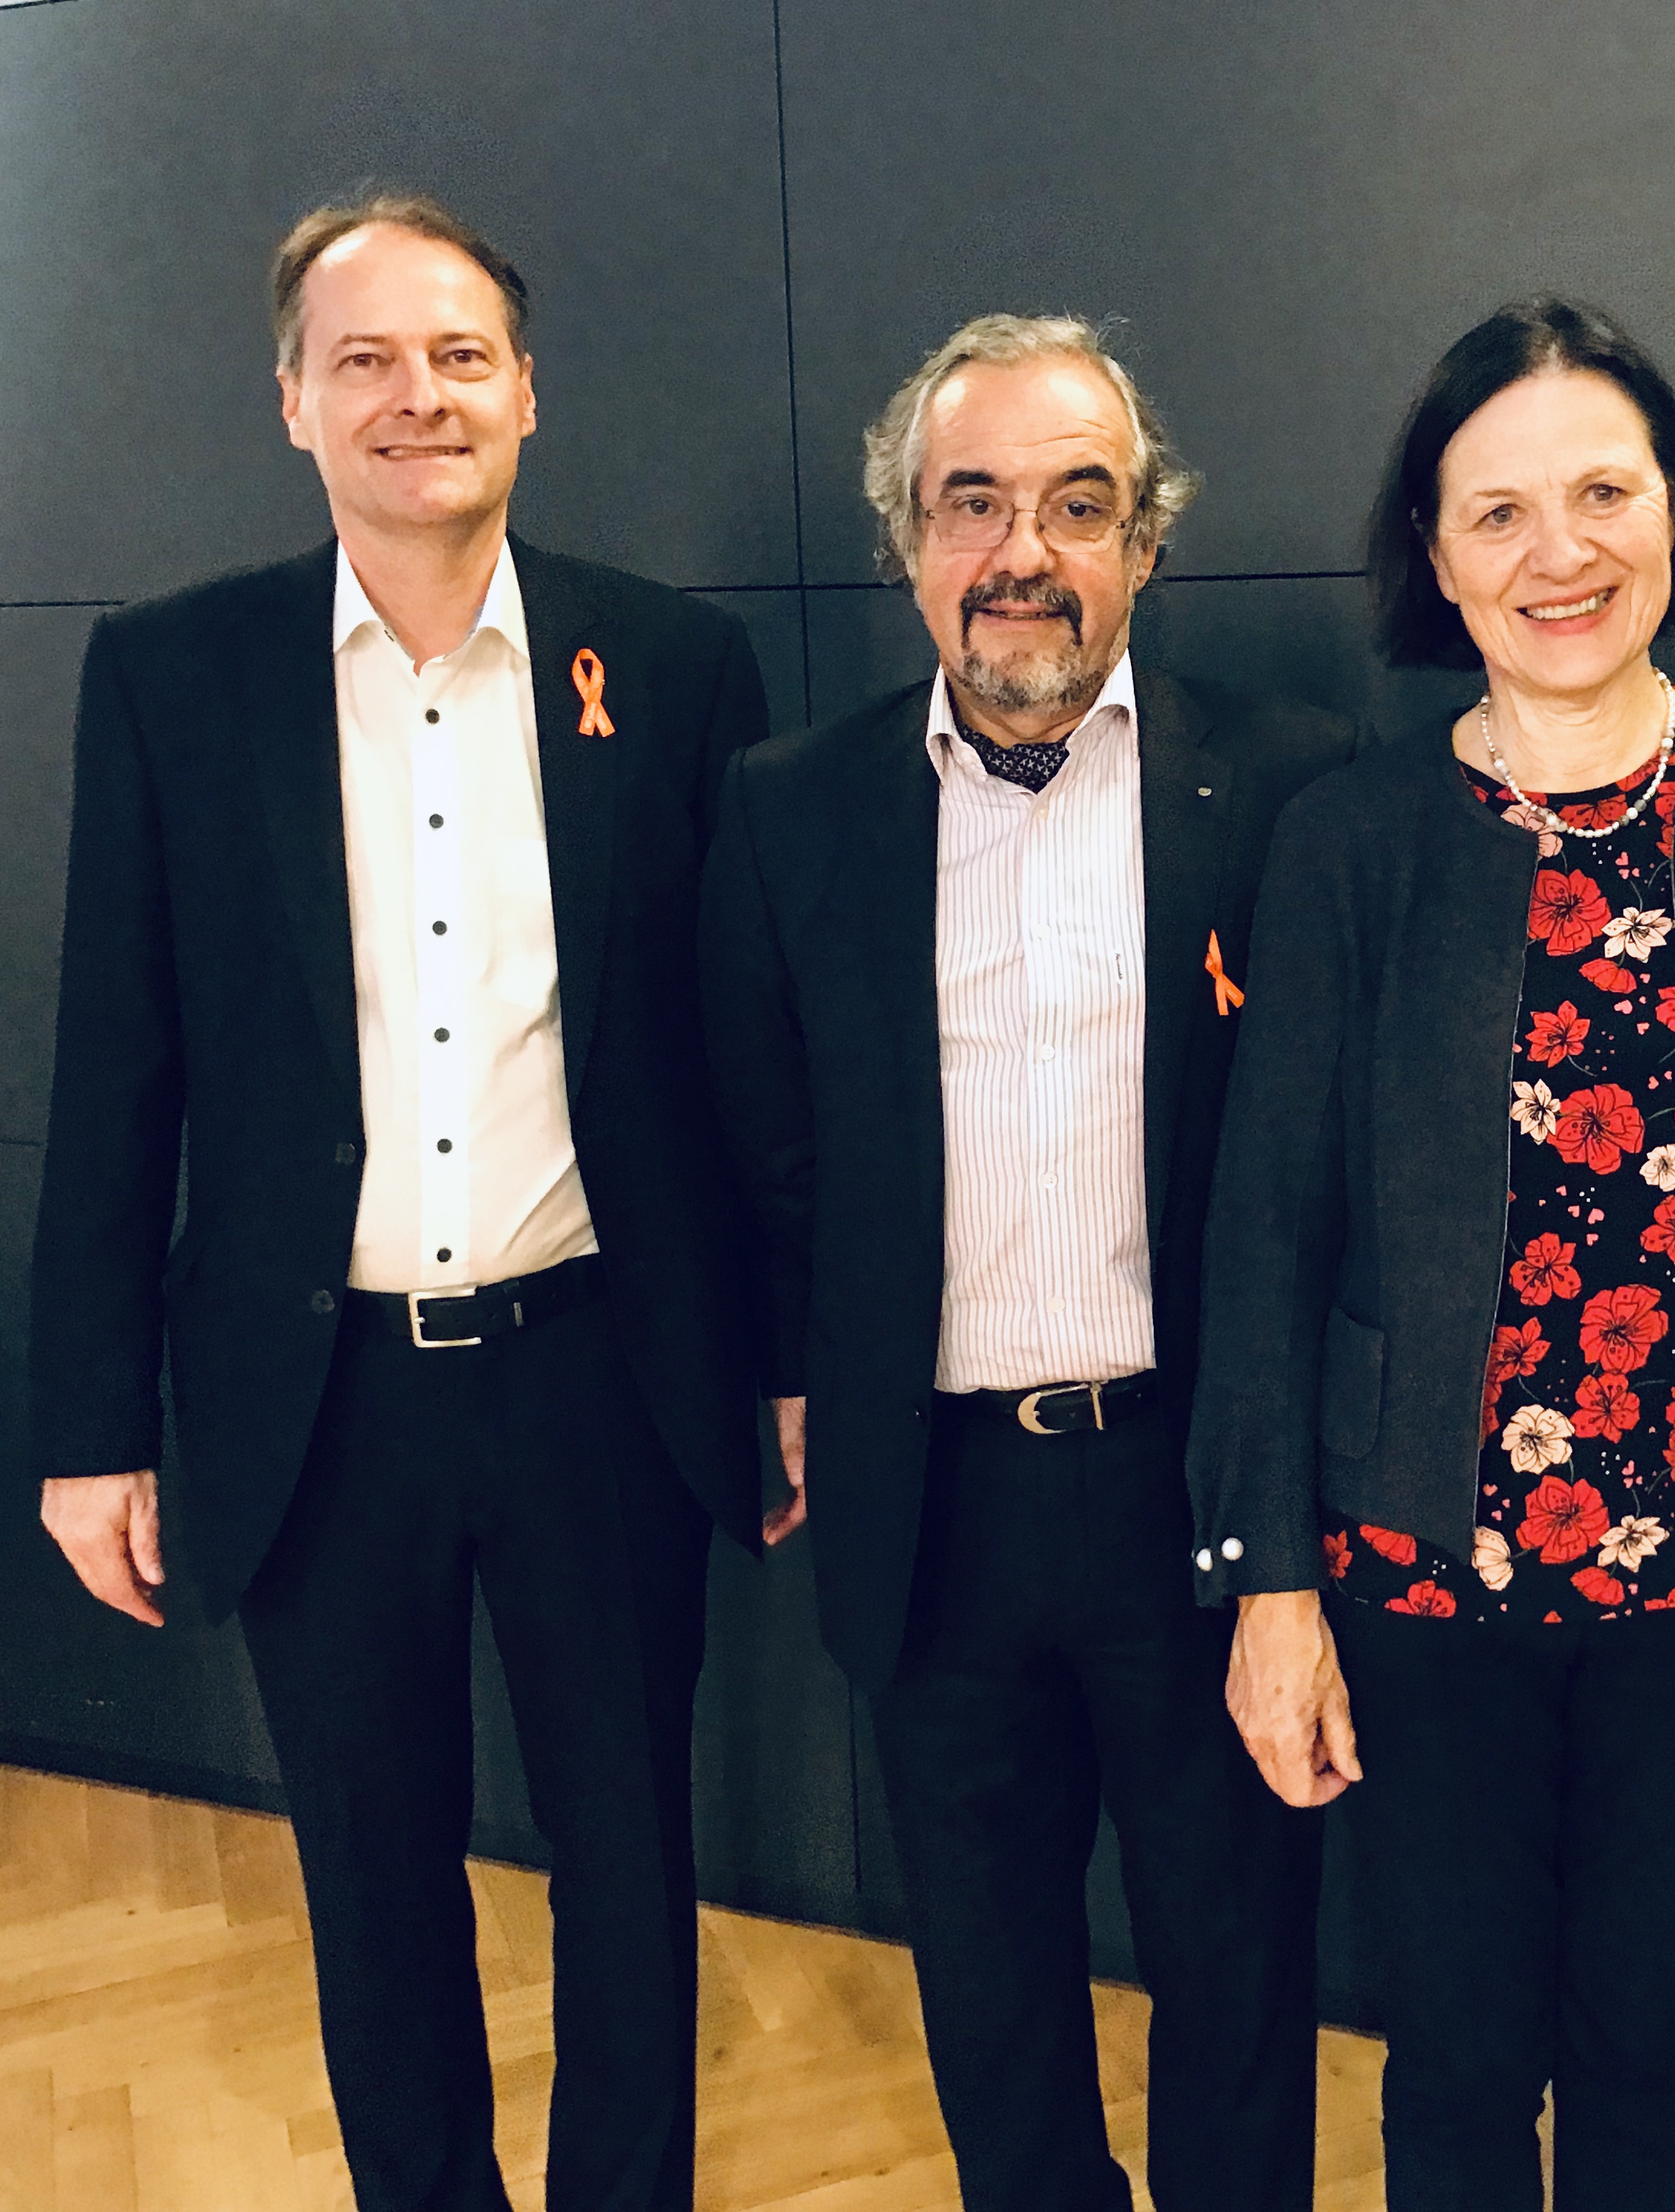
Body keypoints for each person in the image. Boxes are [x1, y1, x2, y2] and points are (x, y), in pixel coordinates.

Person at [30, 195, 771, 2211]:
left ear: (527, 391)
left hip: (599, 1373)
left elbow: (738, 1068)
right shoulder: (174, 676)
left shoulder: (673, 668)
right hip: (316, 1397)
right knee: (371, 1878)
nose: (414, 395)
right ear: (293, 401)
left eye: (457, 355)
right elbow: (117, 1066)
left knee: (631, 1863)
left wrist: (778, 1365)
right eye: (361, 358)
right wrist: (91, 1427)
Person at [1188, 297, 1675, 2212]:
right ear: (1434, 560)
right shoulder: (1352, 838)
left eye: (1603, 491)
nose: (1557, 551)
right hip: (1425, 1575)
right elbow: (1266, 1232)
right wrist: (1270, 1586)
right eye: (1495, 512)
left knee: (1647, 2038)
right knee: (1455, 2057)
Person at [698, 314, 1352, 2212]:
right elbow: (769, 1146)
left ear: (1146, 540)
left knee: (1241, 1974)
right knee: (990, 1998)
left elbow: (1329, 1173)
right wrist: (795, 1379)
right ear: (910, 539)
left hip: (1199, 1493)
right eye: (971, 502)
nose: (1022, 551)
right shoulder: (792, 806)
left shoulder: (1291, 785)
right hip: (939, 1504)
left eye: (1078, 503)